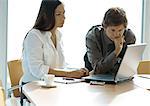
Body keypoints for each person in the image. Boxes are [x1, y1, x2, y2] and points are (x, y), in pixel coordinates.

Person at [22, 0, 89, 84]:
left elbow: (61, 66)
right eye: (58, 14)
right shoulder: (34, 35)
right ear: (47, 16)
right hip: (32, 87)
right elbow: (37, 69)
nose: (63, 17)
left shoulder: (58, 35)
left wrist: (77, 71)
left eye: (63, 13)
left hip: (52, 86)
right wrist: (69, 74)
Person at [85, 7, 136, 75]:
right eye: (113, 30)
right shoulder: (93, 37)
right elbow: (98, 69)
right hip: (96, 79)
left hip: (119, 78)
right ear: (104, 27)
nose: (116, 34)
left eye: (120, 30)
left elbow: (128, 68)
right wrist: (117, 51)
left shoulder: (129, 36)